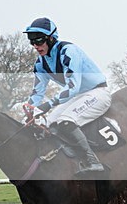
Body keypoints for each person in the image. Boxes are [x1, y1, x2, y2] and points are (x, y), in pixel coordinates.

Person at [23, 17, 110, 174]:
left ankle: (93, 161)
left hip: (97, 92)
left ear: (51, 38)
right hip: (77, 97)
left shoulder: (68, 52)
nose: (36, 46)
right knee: (47, 123)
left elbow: (72, 87)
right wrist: (30, 108)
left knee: (65, 121)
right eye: (32, 42)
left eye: (39, 41)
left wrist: (46, 105)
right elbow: (37, 92)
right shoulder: (40, 63)